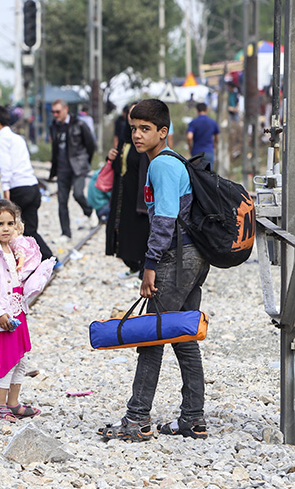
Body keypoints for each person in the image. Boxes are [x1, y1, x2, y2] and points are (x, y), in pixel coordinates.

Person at [98, 99, 210, 442]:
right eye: (134, 128)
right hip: (193, 255)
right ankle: (193, 418)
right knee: (182, 335)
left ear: (164, 131)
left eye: (146, 128)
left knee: (152, 336)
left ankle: (137, 420)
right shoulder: (172, 161)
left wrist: (149, 266)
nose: (137, 135)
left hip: (176, 259)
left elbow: (163, 222)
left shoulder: (161, 165)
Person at [0, 199, 54, 421]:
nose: (6, 228)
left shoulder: (13, 248)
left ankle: (13, 403)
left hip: (17, 310)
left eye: (10, 223)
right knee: (9, 358)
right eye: (0, 224)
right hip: (4, 315)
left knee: (21, 357)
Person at [0, 104, 54, 261]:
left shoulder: (1, 139)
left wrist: (6, 194)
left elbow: (6, 167)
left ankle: (21, 263)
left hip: (19, 189)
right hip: (33, 187)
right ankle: (49, 259)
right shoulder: (18, 138)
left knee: (11, 231)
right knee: (30, 229)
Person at [105, 103, 150, 279]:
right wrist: (111, 157)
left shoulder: (146, 143)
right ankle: (133, 265)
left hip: (139, 197)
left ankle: (142, 269)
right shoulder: (125, 140)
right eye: (131, 116)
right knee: (121, 232)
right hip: (122, 196)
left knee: (140, 233)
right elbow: (119, 167)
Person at [48, 99, 97, 241]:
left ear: (65, 109)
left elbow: (90, 145)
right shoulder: (54, 127)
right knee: (62, 202)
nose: (55, 115)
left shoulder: (79, 124)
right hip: (62, 169)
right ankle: (66, 233)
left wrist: (84, 162)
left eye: (57, 111)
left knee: (78, 193)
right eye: (53, 112)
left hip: (78, 168)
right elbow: (55, 149)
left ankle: (89, 212)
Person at [186, 103, 220, 170]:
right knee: (208, 176)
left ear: (197, 110)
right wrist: (214, 145)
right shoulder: (212, 122)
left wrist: (190, 148)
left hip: (196, 152)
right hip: (209, 151)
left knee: (196, 175)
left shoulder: (193, 123)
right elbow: (217, 137)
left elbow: (189, 136)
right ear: (206, 110)